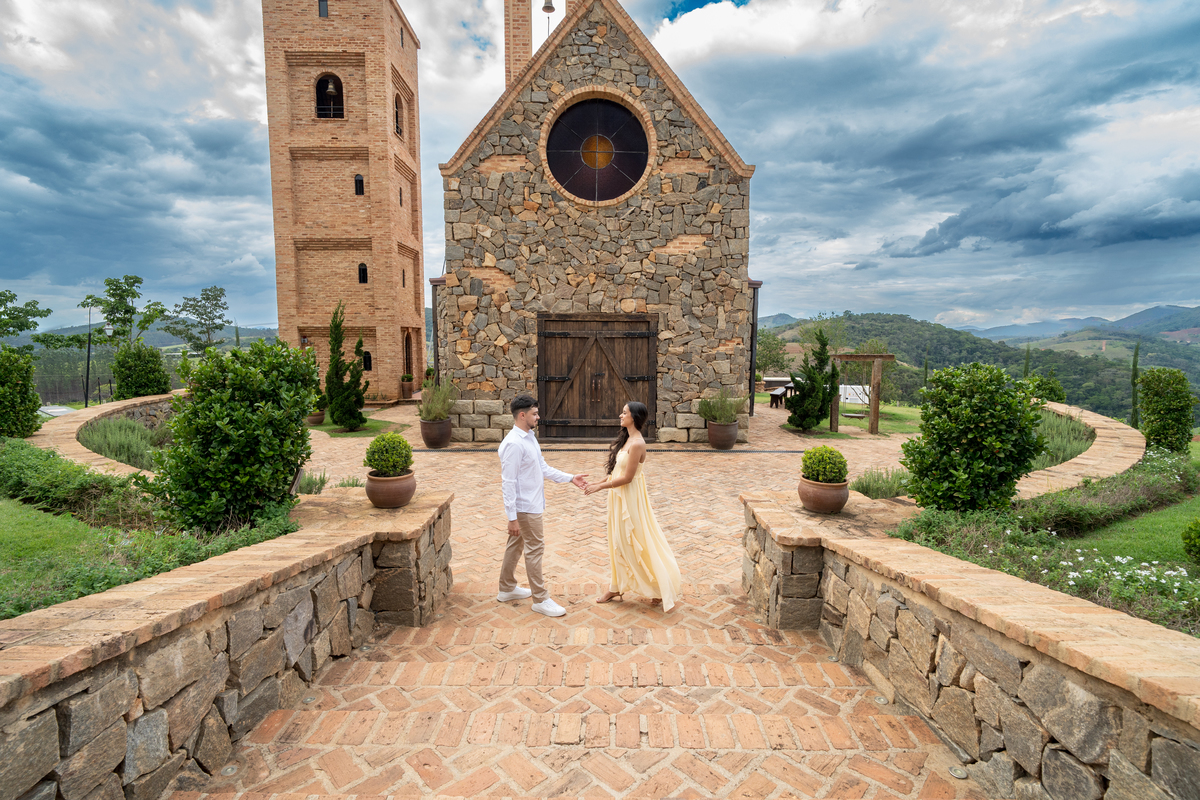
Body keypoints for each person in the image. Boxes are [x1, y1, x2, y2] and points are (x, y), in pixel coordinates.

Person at [584, 401, 681, 611]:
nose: (620, 415)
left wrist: (601, 488)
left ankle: (658, 586)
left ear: (634, 417)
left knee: (635, 542)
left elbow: (627, 478)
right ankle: (616, 586)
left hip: (630, 498)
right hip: (618, 497)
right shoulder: (627, 439)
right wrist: (596, 483)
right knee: (617, 542)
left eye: (624, 413)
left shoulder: (637, 443)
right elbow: (615, 473)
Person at [497, 394, 588, 617]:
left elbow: (543, 468)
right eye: (534, 414)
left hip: (530, 504)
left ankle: (506, 588)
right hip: (525, 507)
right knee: (535, 549)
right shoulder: (514, 444)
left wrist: (570, 478)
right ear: (522, 415)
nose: (538, 417)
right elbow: (508, 482)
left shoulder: (529, 437)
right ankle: (540, 599)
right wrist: (512, 517)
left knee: (515, 545)